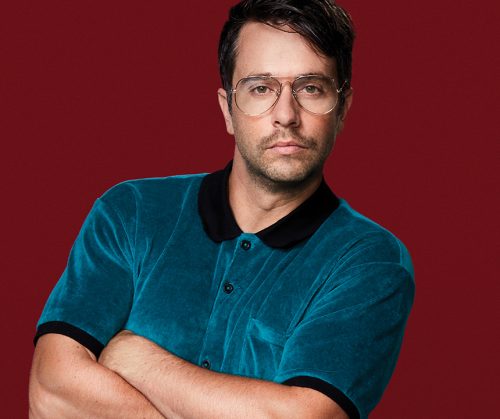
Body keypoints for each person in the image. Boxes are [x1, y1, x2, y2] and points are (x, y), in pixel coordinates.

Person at [29, 1, 415, 418]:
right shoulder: (131, 213)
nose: (286, 115)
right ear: (227, 109)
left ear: (342, 110)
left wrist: (137, 359)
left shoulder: (370, 262)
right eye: (260, 88)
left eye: (310, 88)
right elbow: (52, 393)